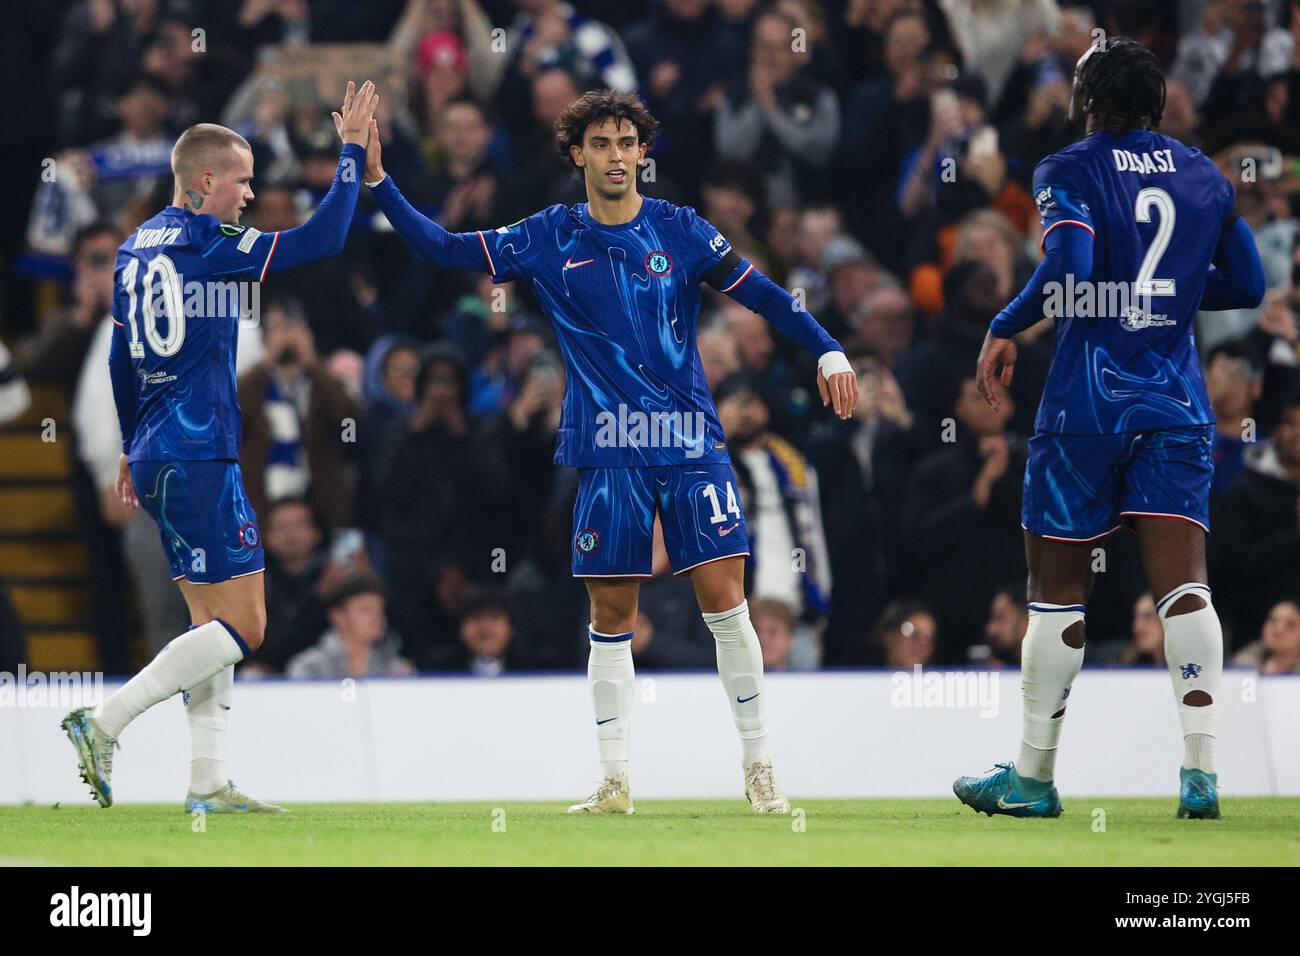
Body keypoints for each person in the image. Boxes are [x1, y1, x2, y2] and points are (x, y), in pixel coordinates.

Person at [363, 89, 858, 814]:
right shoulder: (546, 237)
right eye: (602, 143)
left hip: (690, 445)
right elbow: (440, 247)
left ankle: (760, 770)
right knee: (610, 616)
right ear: (578, 155)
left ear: (643, 154)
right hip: (607, 450)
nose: (618, 155)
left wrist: (829, 349)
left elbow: (770, 299)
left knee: (728, 607)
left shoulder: (681, 230)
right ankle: (616, 780)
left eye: (628, 143)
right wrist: (378, 180)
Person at [953, 38, 1265, 821]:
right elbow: (1251, 284)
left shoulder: (1069, 168)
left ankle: (1032, 779)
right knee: (1185, 589)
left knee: (1056, 596)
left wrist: (1005, 322)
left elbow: (1069, 273)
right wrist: (1169, 293)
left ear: (1087, 100)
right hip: (1174, 406)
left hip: (1086, 410)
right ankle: (1201, 773)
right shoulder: (1205, 174)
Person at [60, 81, 381, 813]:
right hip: (200, 452)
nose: (248, 194)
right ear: (204, 180)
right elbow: (324, 238)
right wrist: (352, 155)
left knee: (212, 626)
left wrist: (126, 446)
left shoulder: (135, 247)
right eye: (240, 180)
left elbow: (119, 358)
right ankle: (103, 721)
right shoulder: (212, 245)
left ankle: (207, 783)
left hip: (155, 449)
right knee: (247, 626)